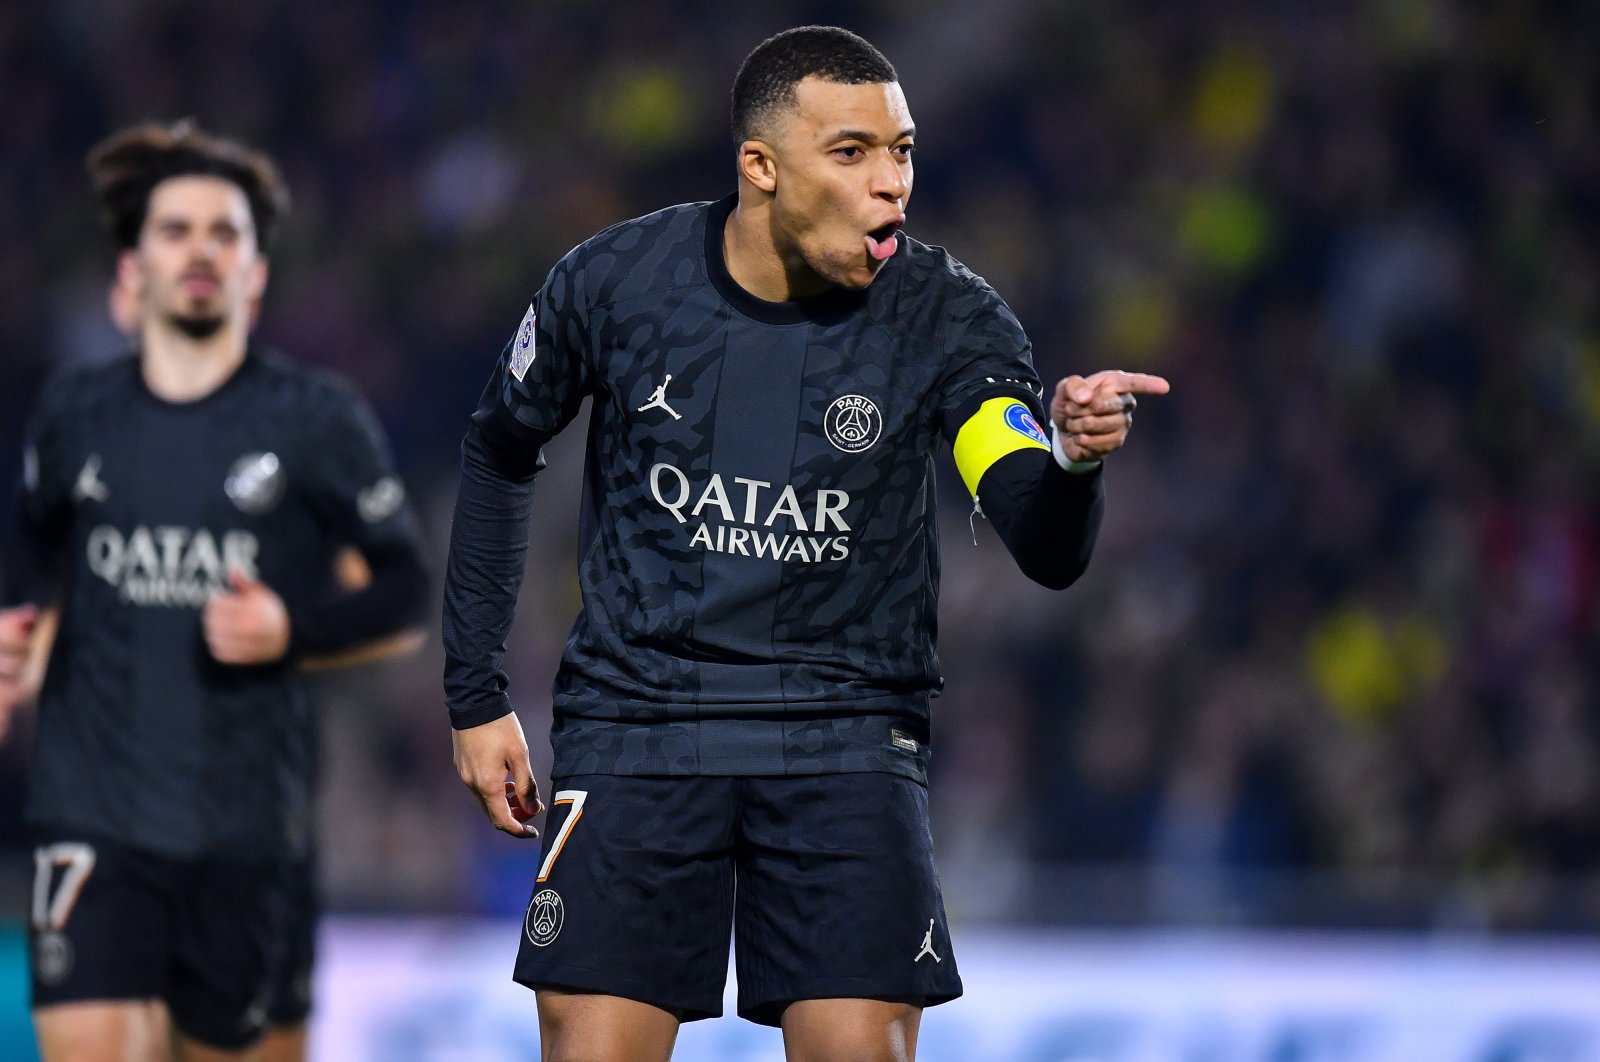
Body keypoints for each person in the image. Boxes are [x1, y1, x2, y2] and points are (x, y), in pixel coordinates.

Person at [443, 25, 1168, 1062]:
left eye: (902, 151)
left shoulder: (947, 320)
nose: (891, 185)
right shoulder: (615, 284)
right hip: (643, 723)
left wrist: (1072, 461)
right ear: (762, 167)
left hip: (844, 737)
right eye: (853, 153)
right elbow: (499, 451)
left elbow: (1040, 538)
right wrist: (474, 694)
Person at [0, 120, 430, 1062]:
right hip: (93, 815)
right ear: (134, 267)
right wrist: (14, 632)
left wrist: (292, 625)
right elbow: (29, 552)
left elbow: (403, 590)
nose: (201, 250)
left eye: (225, 233)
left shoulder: (316, 419)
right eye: (175, 231)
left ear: (257, 273)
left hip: (247, 829)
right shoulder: (73, 413)